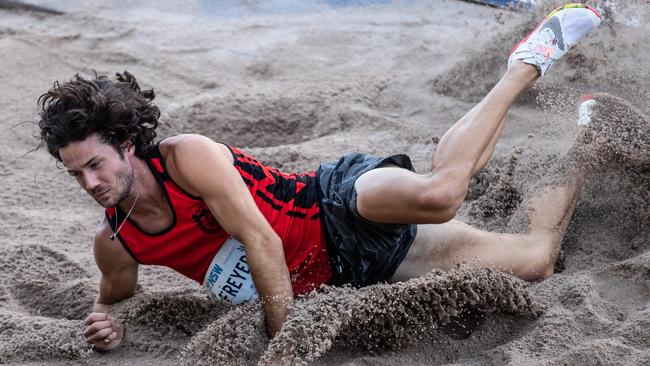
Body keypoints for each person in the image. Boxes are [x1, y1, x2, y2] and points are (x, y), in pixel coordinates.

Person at [35, 4, 601, 351]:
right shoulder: (116, 242)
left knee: (442, 193)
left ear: (126, 145)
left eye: (95, 164)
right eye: (75, 173)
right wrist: (105, 329)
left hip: (336, 204)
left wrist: (286, 344)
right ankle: (592, 139)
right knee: (537, 260)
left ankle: (528, 60)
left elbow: (260, 240)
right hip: (353, 272)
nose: (90, 183)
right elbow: (116, 305)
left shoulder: (187, 159)